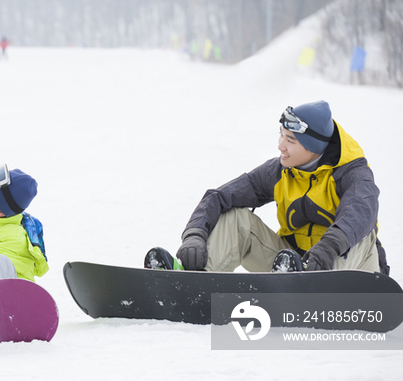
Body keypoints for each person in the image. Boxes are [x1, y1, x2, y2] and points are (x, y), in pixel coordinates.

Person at [145, 100, 389, 275]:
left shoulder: (353, 173)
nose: (281, 146)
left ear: (314, 148)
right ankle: (193, 278)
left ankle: (305, 280)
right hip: (291, 266)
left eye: (290, 140)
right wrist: (195, 236)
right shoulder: (280, 171)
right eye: (281, 135)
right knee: (236, 218)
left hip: (349, 270)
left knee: (360, 232)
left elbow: (359, 212)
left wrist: (326, 249)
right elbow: (219, 197)